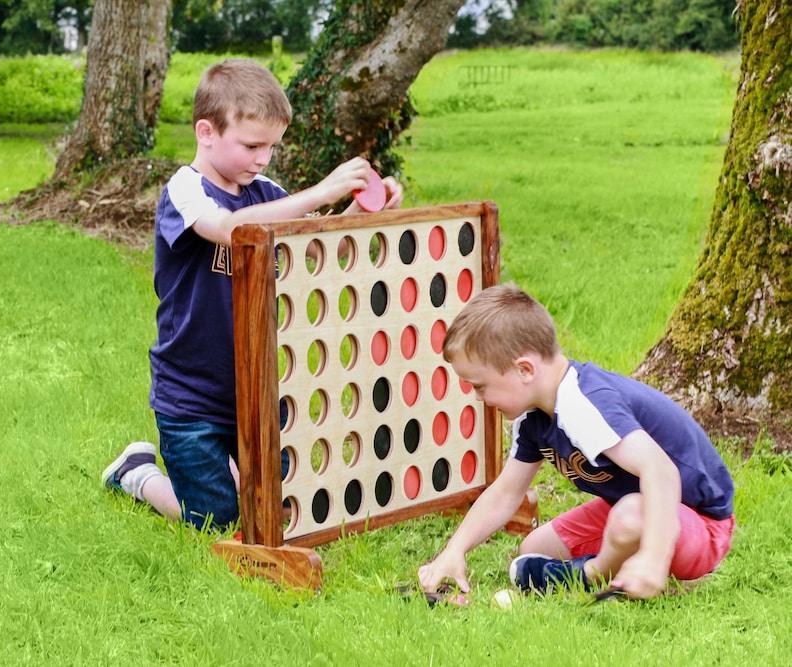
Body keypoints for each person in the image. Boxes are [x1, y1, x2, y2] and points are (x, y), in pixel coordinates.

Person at [102, 59, 402, 530]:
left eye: (271, 147)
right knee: (214, 523)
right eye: (252, 146)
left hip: (260, 387)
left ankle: (233, 472)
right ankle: (137, 474)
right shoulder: (186, 190)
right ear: (206, 132)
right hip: (191, 395)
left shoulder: (264, 192)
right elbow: (225, 229)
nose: (263, 159)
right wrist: (321, 190)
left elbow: (322, 246)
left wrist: (364, 210)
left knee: (282, 509)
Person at [418, 284, 734, 600]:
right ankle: (617, 560)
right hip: (633, 505)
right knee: (535, 547)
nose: (478, 397)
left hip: (700, 524)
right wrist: (454, 551)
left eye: (481, 386)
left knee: (630, 517)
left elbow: (661, 470)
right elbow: (505, 494)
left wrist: (653, 558)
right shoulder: (533, 418)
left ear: (524, 369)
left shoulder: (585, 404)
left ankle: (593, 573)